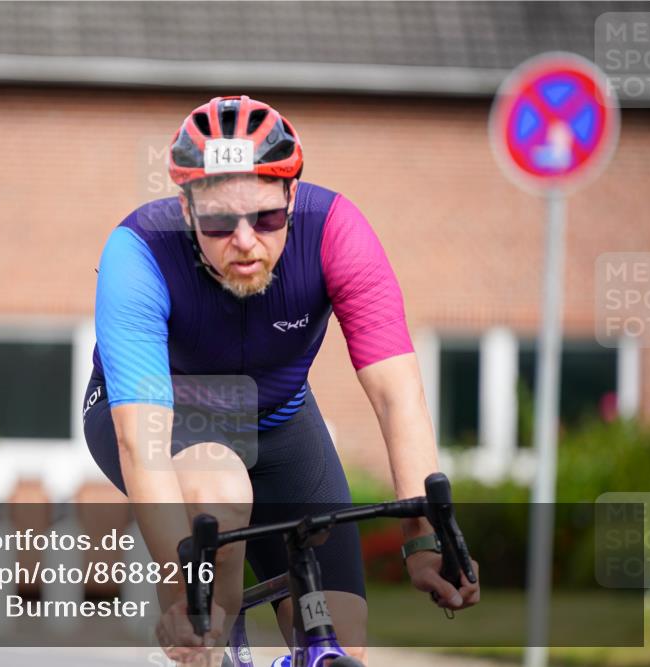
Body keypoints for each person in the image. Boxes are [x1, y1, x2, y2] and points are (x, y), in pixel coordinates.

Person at [83, 95, 480, 666]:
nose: (245, 240)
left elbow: (398, 398)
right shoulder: (139, 250)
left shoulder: (337, 231)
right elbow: (140, 445)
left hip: (280, 419)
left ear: (291, 196)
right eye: (220, 221)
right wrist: (180, 591)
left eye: (266, 217)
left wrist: (424, 536)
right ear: (187, 209)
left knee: (341, 638)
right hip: (163, 417)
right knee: (217, 493)